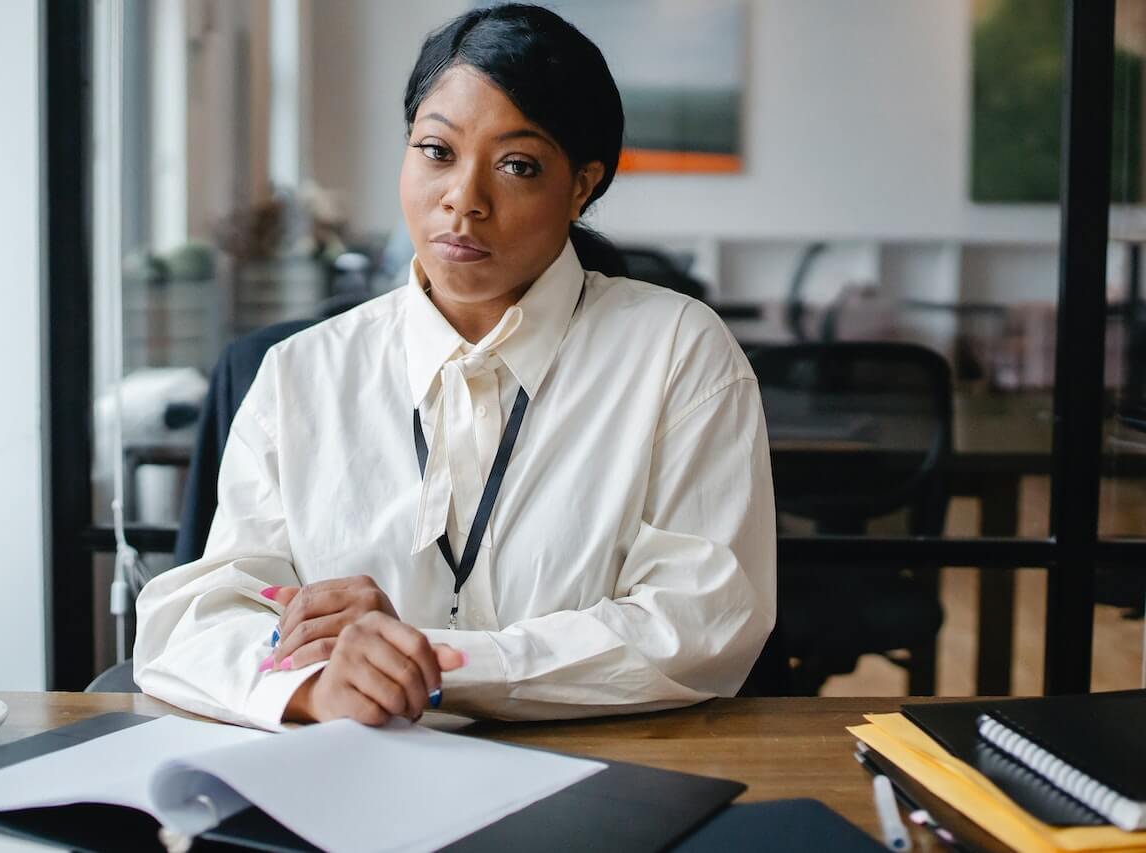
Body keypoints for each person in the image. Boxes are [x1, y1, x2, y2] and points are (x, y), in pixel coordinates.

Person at [134, 3, 775, 729]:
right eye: (436, 151)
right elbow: (192, 623)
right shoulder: (298, 375)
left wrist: (429, 662)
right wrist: (319, 688)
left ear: (582, 185)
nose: (463, 201)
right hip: (354, 791)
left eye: (517, 166)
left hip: (605, 780)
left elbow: (698, 623)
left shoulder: (677, 352)